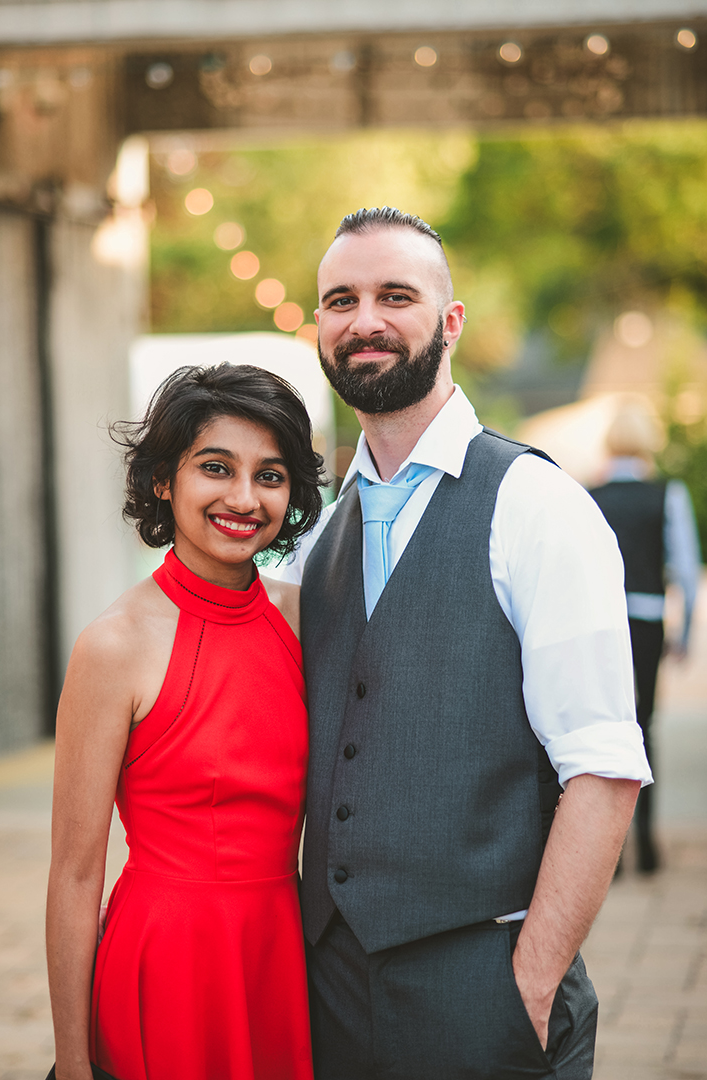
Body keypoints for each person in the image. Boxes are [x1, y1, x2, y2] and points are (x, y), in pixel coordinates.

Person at [277, 208, 653, 1080]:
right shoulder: (316, 539)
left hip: (480, 986)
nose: (363, 319)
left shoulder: (534, 505)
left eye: (393, 295)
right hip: (328, 989)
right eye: (341, 299)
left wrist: (525, 986)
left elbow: (601, 767)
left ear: (449, 323)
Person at [46, 363, 324, 1080]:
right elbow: (75, 876)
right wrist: (73, 1065)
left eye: (270, 475)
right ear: (163, 481)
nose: (243, 498)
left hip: (282, 955)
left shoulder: (305, 620)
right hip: (165, 960)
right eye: (214, 468)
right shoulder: (114, 644)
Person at [589, 402, 701, 872]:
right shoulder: (666, 493)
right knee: (644, 725)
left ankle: (608, 854)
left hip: (600, 622)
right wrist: (687, 631)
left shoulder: (588, 493)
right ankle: (648, 848)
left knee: (601, 730)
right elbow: (687, 570)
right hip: (650, 618)